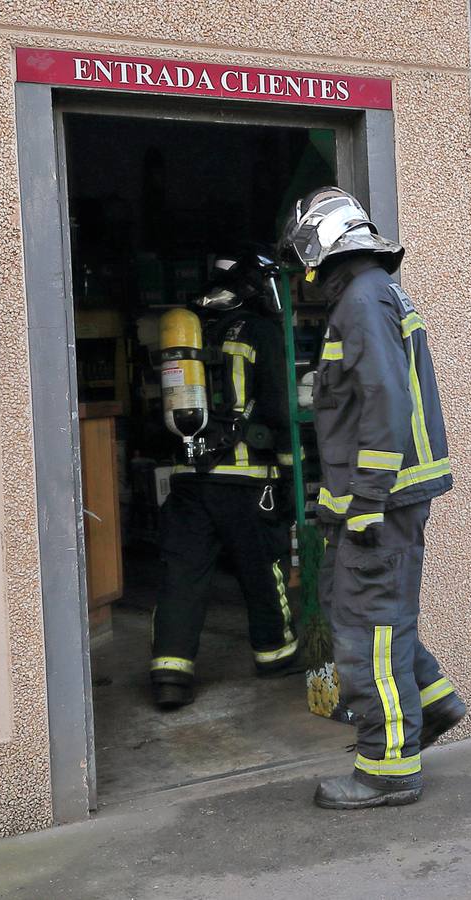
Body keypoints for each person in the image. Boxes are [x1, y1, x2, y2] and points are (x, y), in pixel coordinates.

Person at [280, 187, 466, 809]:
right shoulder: (376, 293)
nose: (302, 273)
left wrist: (364, 501)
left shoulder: (361, 300)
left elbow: (385, 403)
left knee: (369, 633)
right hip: (386, 498)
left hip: (379, 504)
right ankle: (434, 704)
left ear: (320, 248)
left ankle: (386, 771)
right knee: (379, 616)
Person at [149, 252, 298, 709]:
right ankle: (274, 653)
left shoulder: (189, 333)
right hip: (249, 482)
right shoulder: (261, 332)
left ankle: (171, 673)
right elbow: (278, 410)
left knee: (182, 575)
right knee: (263, 567)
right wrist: (290, 472)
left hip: (189, 481)